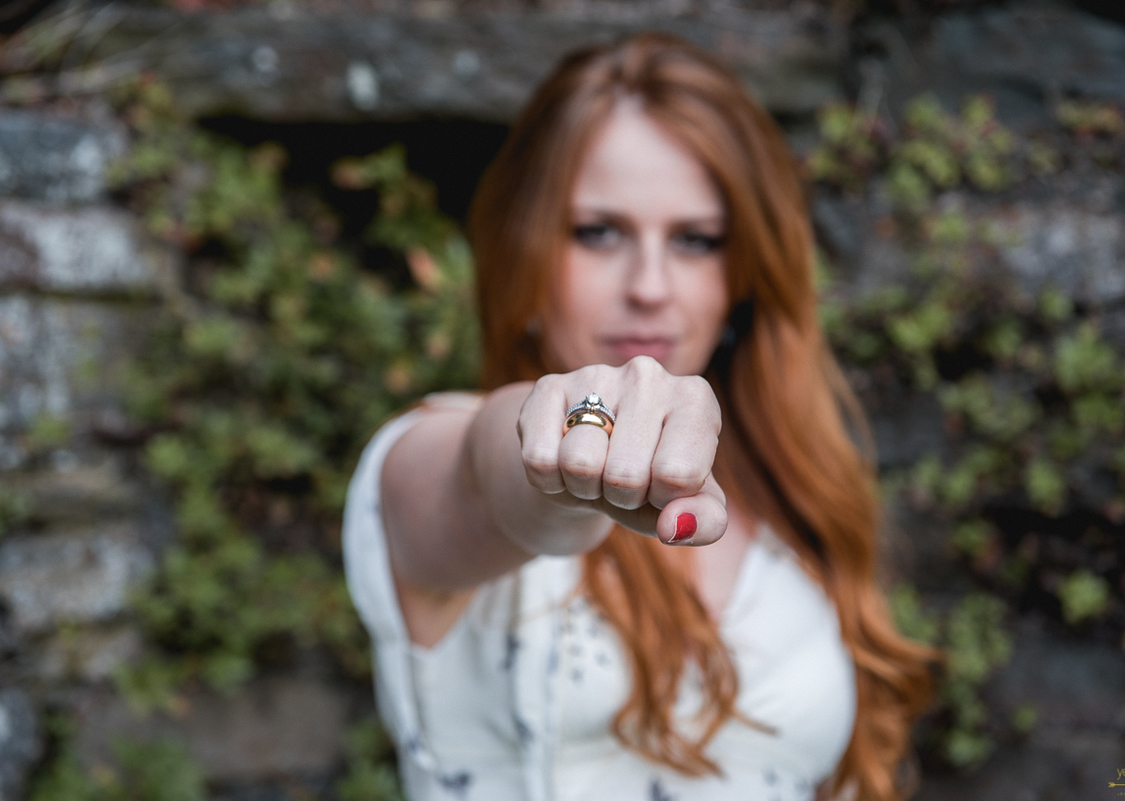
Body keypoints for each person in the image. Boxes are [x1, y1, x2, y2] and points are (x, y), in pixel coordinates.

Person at [343, 32, 937, 801]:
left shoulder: (794, 495)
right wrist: (562, 450)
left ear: (742, 274)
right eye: (598, 232)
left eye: (695, 240)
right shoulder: (430, 460)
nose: (650, 286)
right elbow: (492, 475)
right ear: (524, 250)